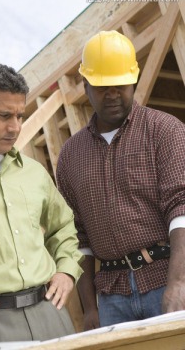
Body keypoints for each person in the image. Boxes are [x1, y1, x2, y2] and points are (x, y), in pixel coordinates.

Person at [0, 62, 84, 342]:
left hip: (51, 312)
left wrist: (66, 272)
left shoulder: (34, 173)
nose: (15, 127)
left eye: (20, 116)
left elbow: (63, 227)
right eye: (5, 115)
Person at [56, 30, 185, 330]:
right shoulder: (70, 156)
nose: (113, 94)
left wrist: (178, 284)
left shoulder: (165, 131)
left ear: (134, 80)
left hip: (166, 280)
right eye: (102, 86)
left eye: (120, 85)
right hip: (110, 297)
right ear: (86, 86)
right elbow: (78, 238)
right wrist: (90, 309)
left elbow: (181, 208)